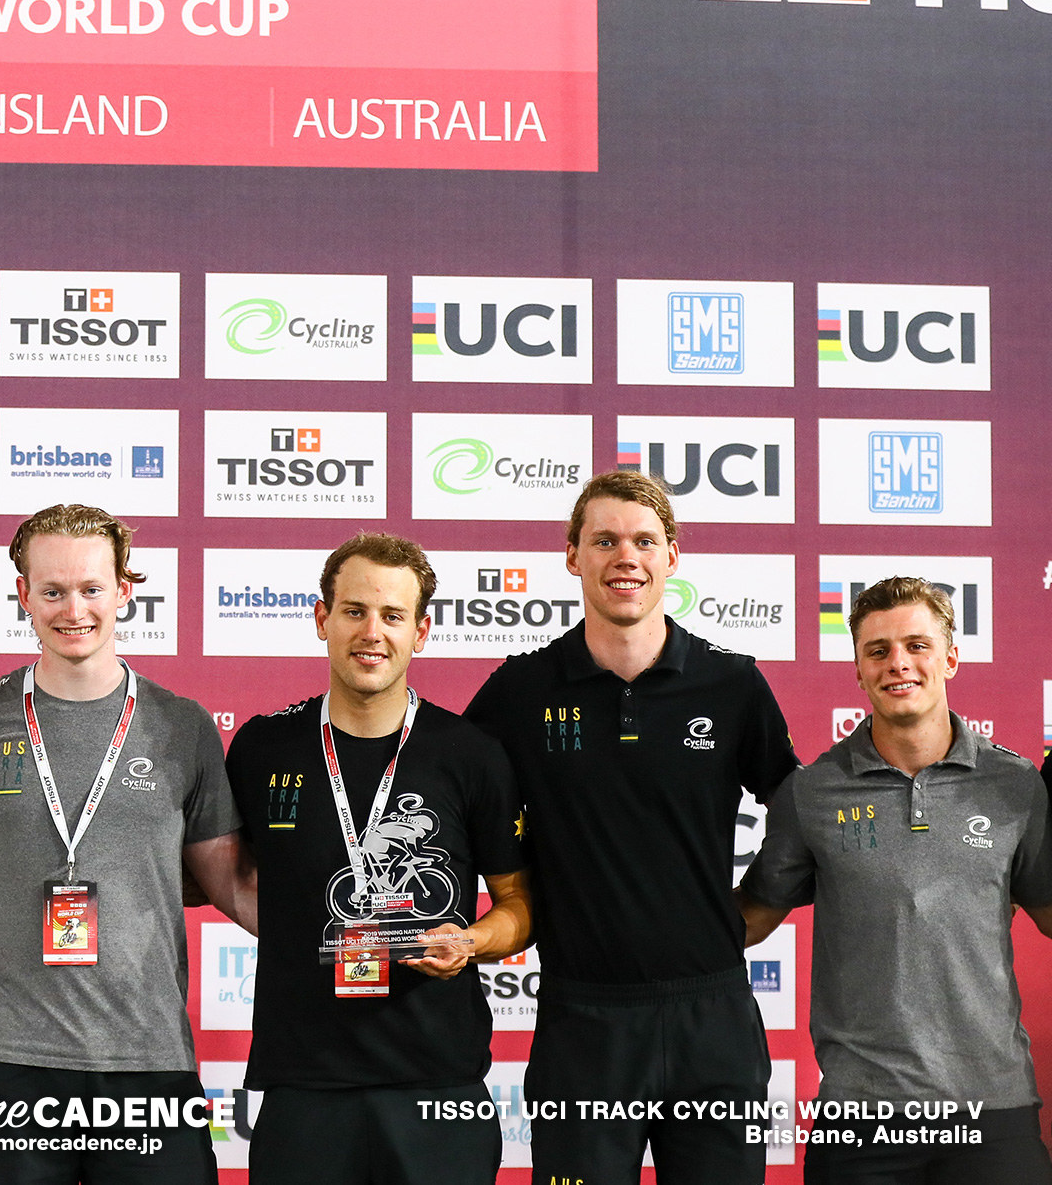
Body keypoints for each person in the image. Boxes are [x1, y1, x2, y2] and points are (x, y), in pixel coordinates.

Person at [464, 471, 798, 1184]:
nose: (627, 556)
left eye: (645, 541)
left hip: (713, 1017)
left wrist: (759, 905)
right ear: (572, 556)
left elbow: (800, 810)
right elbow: (453, 805)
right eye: (605, 540)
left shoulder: (733, 684)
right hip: (582, 1018)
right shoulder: (520, 690)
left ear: (671, 557)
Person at [0, 503, 244, 1185]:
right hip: (10, 1060)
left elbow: (230, 883)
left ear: (125, 591)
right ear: (22, 595)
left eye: (91, 589)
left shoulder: (184, 727)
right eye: (52, 591)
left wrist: (356, 933)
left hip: (149, 1065)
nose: (72, 609)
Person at [224, 533, 530, 1183]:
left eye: (392, 616)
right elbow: (224, 875)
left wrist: (470, 942)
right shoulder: (263, 747)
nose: (372, 632)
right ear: (321, 618)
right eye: (355, 610)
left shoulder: (471, 753)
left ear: (420, 631)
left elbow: (519, 906)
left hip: (437, 1088)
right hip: (303, 1088)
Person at [739, 576, 1052, 1182]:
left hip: (994, 1111)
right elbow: (749, 916)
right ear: (858, 669)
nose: (898, 664)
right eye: (878, 651)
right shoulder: (812, 792)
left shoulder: (1016, 786)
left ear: (951, 658)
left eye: (917, 646)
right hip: (861, 1123)